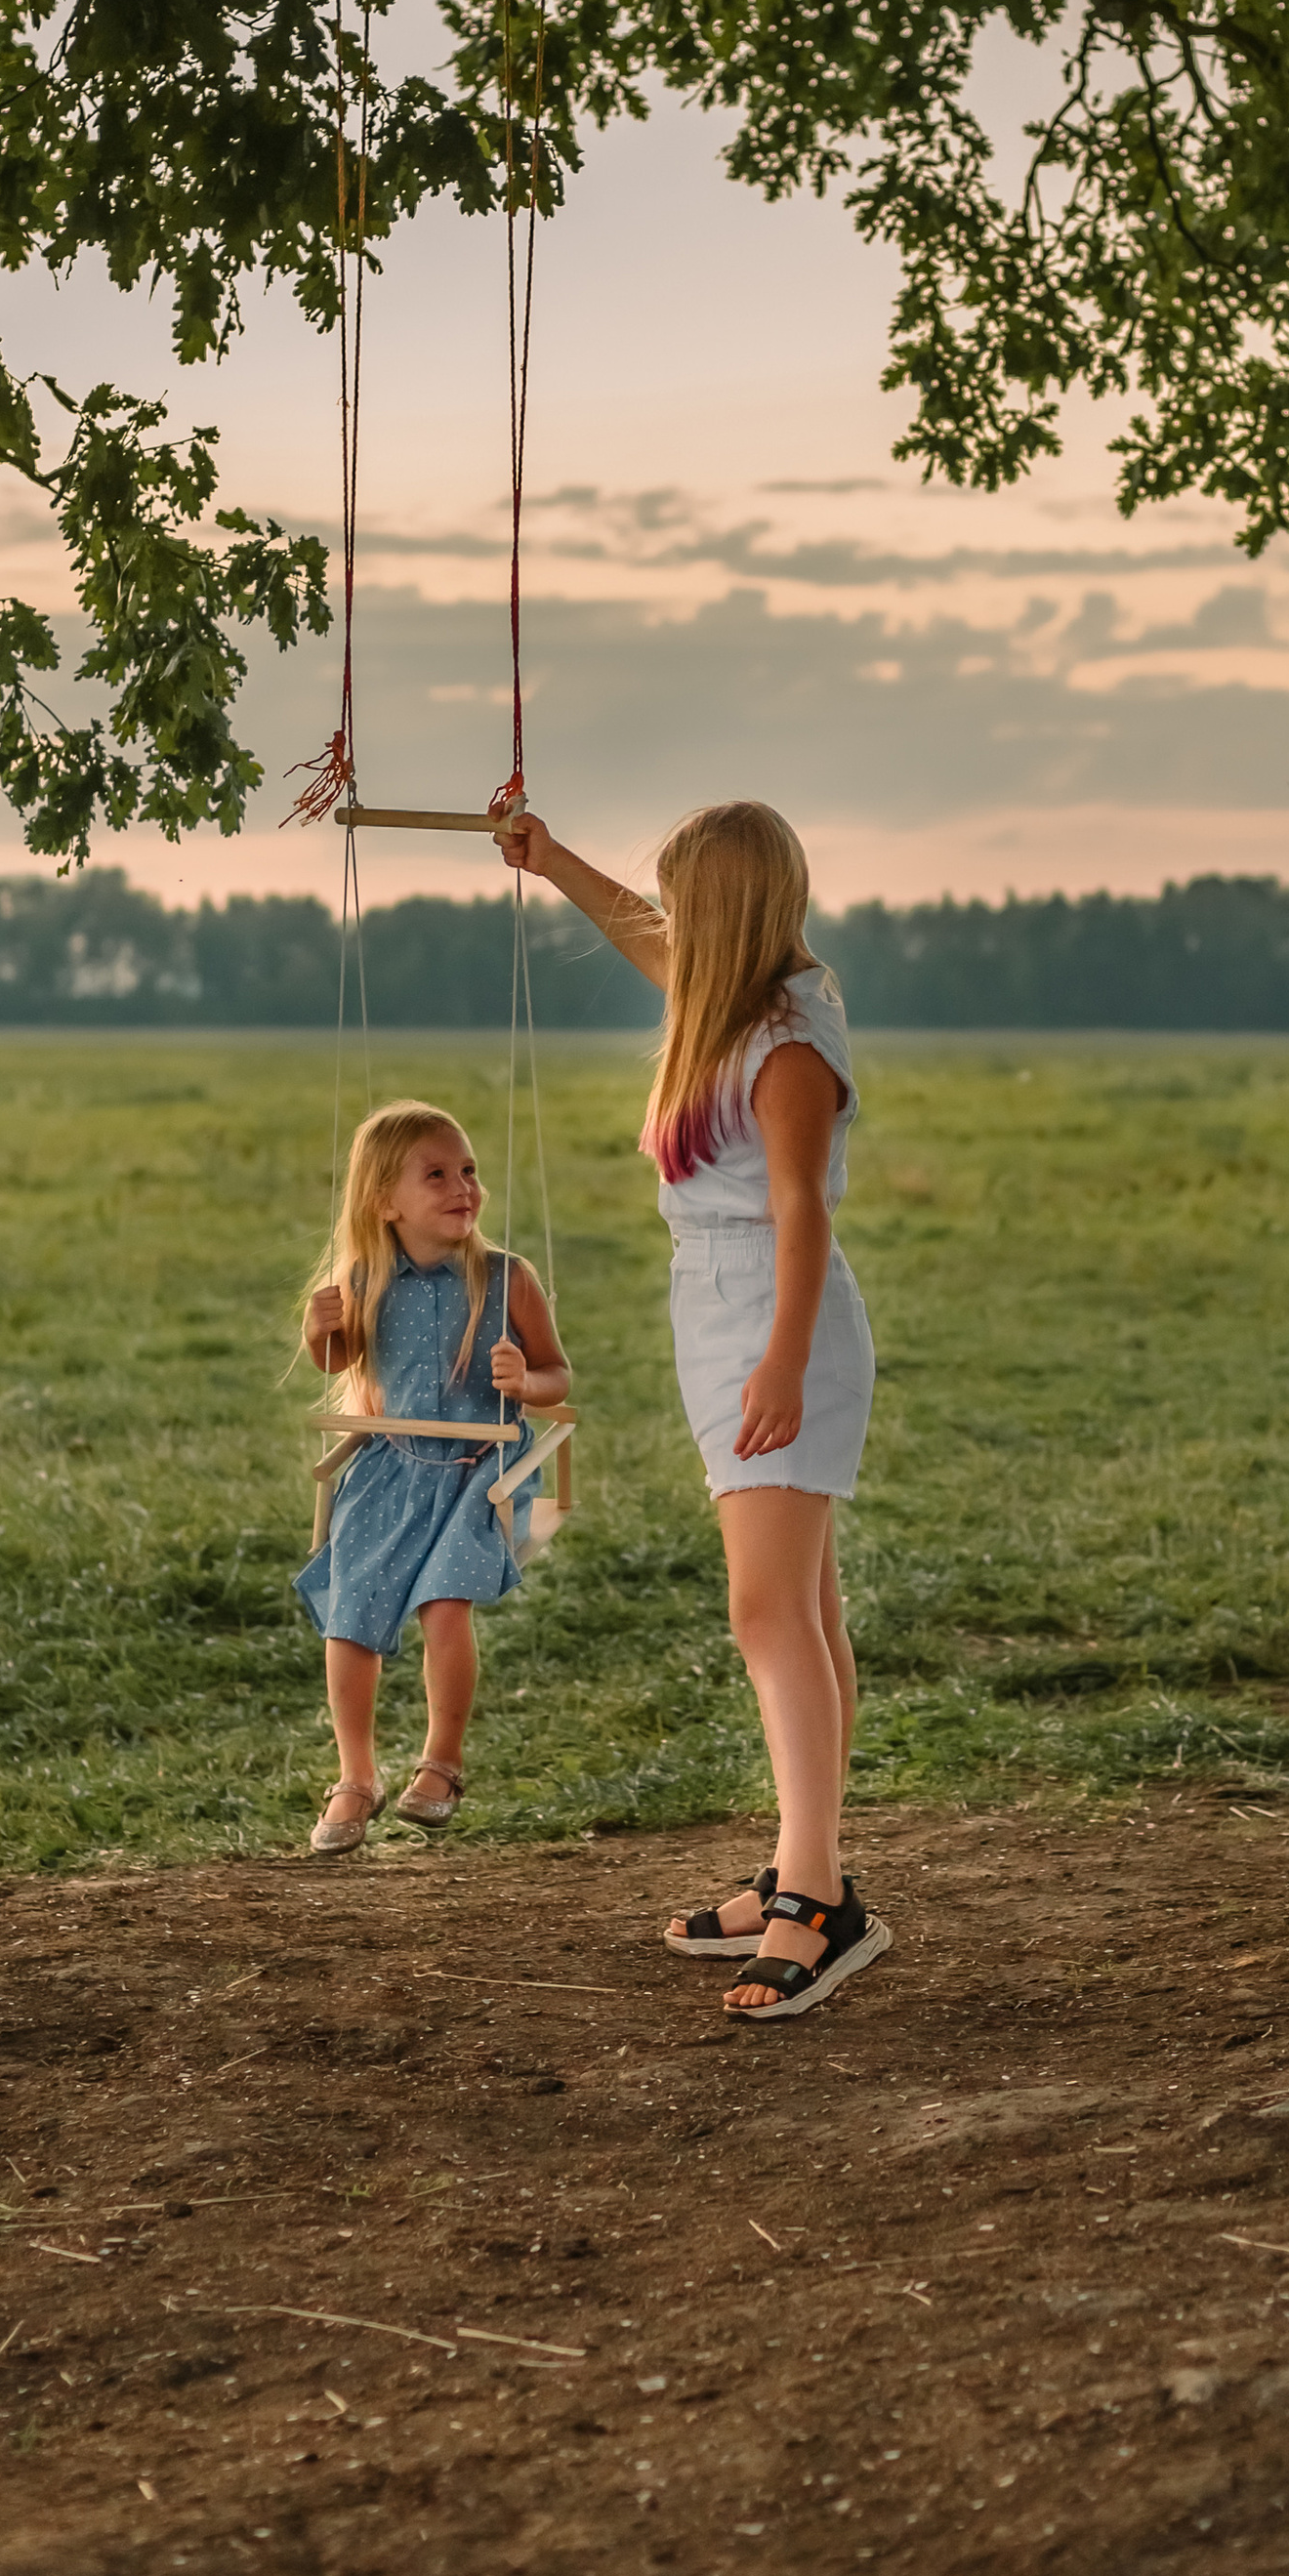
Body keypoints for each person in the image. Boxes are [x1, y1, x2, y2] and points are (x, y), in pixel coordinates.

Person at [495, 797, 889, 2021]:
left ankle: (815, 1905)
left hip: (779, 1322)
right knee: (804, 1614)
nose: (666, 918)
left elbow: (802, 1211)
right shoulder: (729, 998)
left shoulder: (783, 1045)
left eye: (684, 896)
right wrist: (549, 857)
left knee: (767, 1612)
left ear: (723, 910)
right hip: (723, 1313)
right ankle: (803, 1867)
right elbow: (641, 935)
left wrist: (778, 1362)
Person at [292, 1098, 567, 1852]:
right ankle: (356, 1776)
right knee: (353, 1615)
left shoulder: (508, 1278)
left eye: (469, 1171)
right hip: (392, 1466)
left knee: (446, 1606)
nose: (463, 1188)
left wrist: (526, 1381)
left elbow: (557, 1373)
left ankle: (442, 1764)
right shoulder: (365, 1279)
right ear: (386, 1202)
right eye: (437, 1174)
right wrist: (320, 1333)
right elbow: (339, 1362)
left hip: (481, 1471)